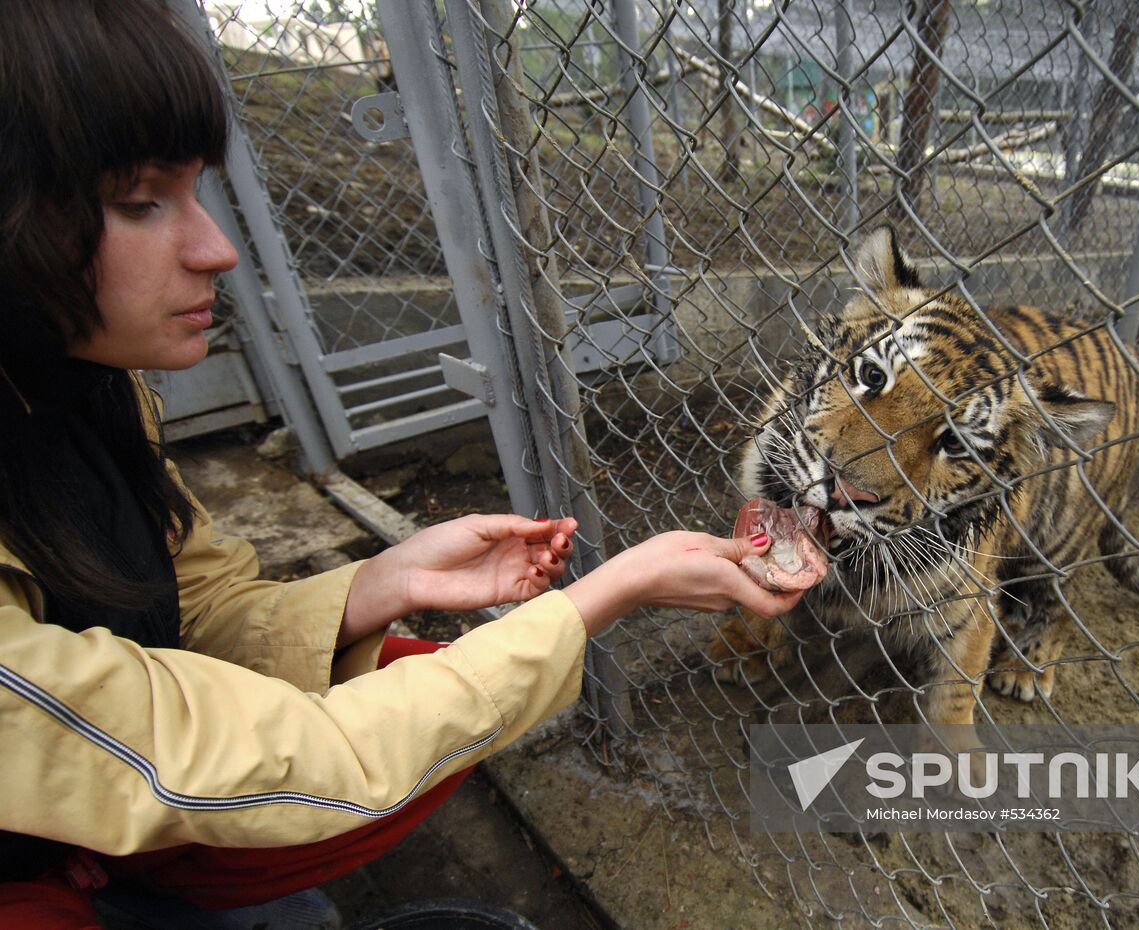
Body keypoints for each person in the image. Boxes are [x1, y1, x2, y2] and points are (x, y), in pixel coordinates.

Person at [0, 1, 806, 926]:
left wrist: (386, 577)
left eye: (196, 193)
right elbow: (278, 760)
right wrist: (605, 596)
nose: (217, 248)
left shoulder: (83, 385)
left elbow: (193, 619)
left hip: (95, 832)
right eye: (140, 202)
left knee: (402, 687)